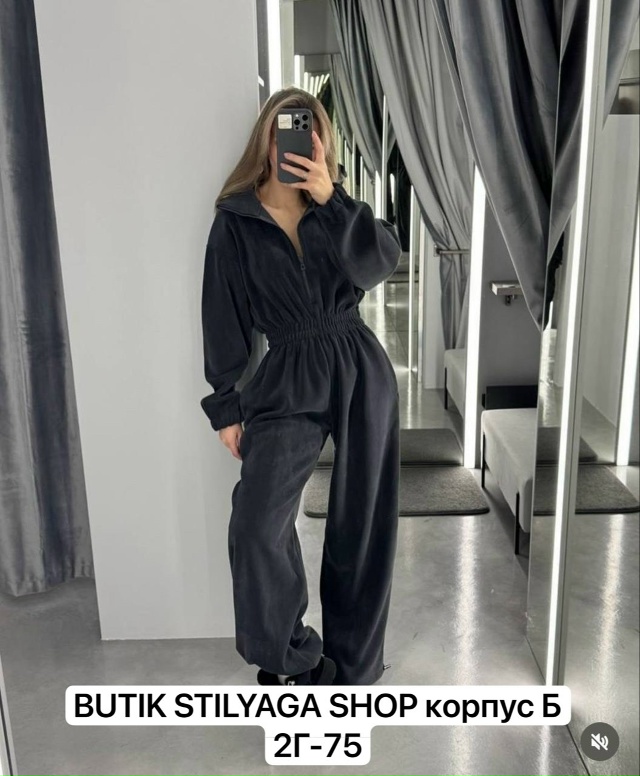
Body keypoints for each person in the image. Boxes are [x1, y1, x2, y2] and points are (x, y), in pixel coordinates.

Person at [200, 87, 402, 686]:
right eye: (285, 128)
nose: (296, 140)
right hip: (287, 372)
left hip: (357, 362)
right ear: (266, 137)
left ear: (321, 142)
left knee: (361, 522)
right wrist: (226, 406)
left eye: (309, 130)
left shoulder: (335, 207)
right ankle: (292, 659)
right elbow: (222, 315)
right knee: (256, 522)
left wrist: (331, 198)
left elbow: (380, 264)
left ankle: (352, 666)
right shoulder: (235, 221)